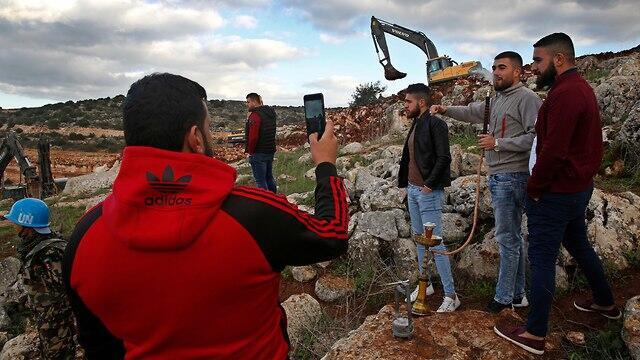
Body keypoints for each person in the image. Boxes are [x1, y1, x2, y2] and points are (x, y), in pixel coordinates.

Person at [62, 73, 348, 359]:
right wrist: (325, 164)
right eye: (209, 128)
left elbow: (97, 346)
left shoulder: (84, 238)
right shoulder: (255, 214)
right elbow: (332, 235)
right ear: (195, 138)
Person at [494, 33, 620, 355]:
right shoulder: (580, 89)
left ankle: (535, 332)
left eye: (538, 60)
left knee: (542, 259)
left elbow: (553, 152)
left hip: (556, 193)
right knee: (579, 244)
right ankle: (605, 301)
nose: (533, 67)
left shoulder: (565, 95)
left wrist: (534, 188)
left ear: (559, 59)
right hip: (576, 189)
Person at [431, 51, 542, 313]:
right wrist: (445, 109)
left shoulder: (527, 98)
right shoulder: (495, 99)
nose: (496, 72)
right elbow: (472, 112)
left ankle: (503, 299)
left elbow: (536, 139)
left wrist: (498, 144)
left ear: (518, 72)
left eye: (502, 67)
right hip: (498, 176)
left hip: (514, 176)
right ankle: (517, 295)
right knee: (511, 237)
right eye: (494, 68)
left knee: (507, 239)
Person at [398, 83, 460, 313]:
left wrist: (428, 186)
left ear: (421, 102)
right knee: (419, 240)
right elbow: (409, 159)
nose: (405, 106)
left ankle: (451, 295)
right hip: (414, 191)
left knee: (436, 243)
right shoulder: (416, 124)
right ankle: (427, 286)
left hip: (427, 192)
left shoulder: (436, 124)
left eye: (408, 101)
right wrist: (406, 186)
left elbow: (444, 157)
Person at [1, 198, 76, 359]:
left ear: (27, 226)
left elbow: (62, 292)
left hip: (57, 325)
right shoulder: (40, 249)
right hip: (50, 322)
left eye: (15, 222)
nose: (13, 226)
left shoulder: (48, 254)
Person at [245, 92, 278, 193]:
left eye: (248, 102)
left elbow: (253, 137)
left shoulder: (255, 116)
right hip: (270, 150)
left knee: (260, 181)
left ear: (254, 102)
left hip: (258, 152)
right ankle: (275, 200)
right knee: (269, 178)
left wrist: (250, 151)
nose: (247, 104)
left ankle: (267, 205)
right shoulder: (270, 113)